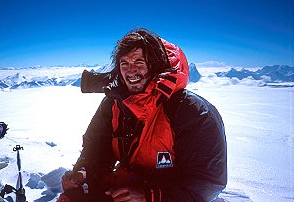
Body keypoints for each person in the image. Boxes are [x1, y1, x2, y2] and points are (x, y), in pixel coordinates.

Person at [60, 28, 227, 202]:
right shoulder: (113, 103)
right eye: (124, 63)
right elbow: (97, 148)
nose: (130, 71)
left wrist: (150, 196)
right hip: (126, 189)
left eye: (139, 62)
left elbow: (207, 182)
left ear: (155, 65)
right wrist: (83, 172)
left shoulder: (191, 111)